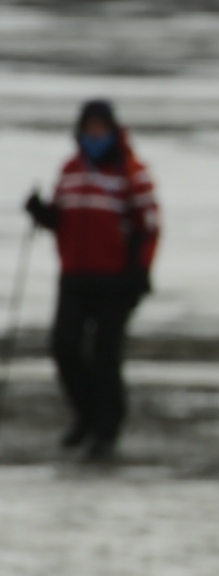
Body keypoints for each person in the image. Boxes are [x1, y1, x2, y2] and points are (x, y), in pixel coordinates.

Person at [22, 99, 160, 461]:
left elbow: (149, 228)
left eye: (100, 128)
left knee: (105, 354)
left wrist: (139, 272)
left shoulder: (132, 172)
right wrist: (42, 213)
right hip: (74, 275)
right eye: (89, 128)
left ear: (112, 130)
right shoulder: (70, 169)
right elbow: (63, 221)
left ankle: (106, 429)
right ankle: (85, 415)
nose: (94, 134)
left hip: (116, 279)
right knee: (63, 346)